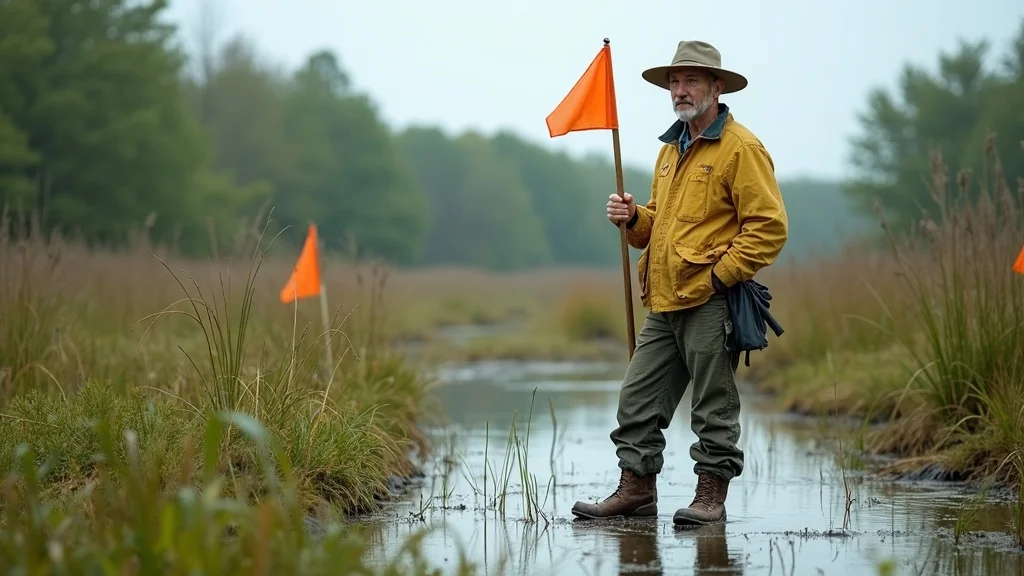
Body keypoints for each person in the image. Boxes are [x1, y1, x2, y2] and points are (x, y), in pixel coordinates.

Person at [570, 40, 788, 527]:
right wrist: (633, 218)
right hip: (663, 302)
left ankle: (710, 497)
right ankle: (637, 491)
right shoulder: (670, 150)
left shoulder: (742, 148)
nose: (680, 90)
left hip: (711, 303)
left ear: (716, 87)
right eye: (674, 81)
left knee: (713, 407)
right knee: (636, 399)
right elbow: (660, 227)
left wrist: (718, 277)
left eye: (691, 80)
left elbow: (769, 228)